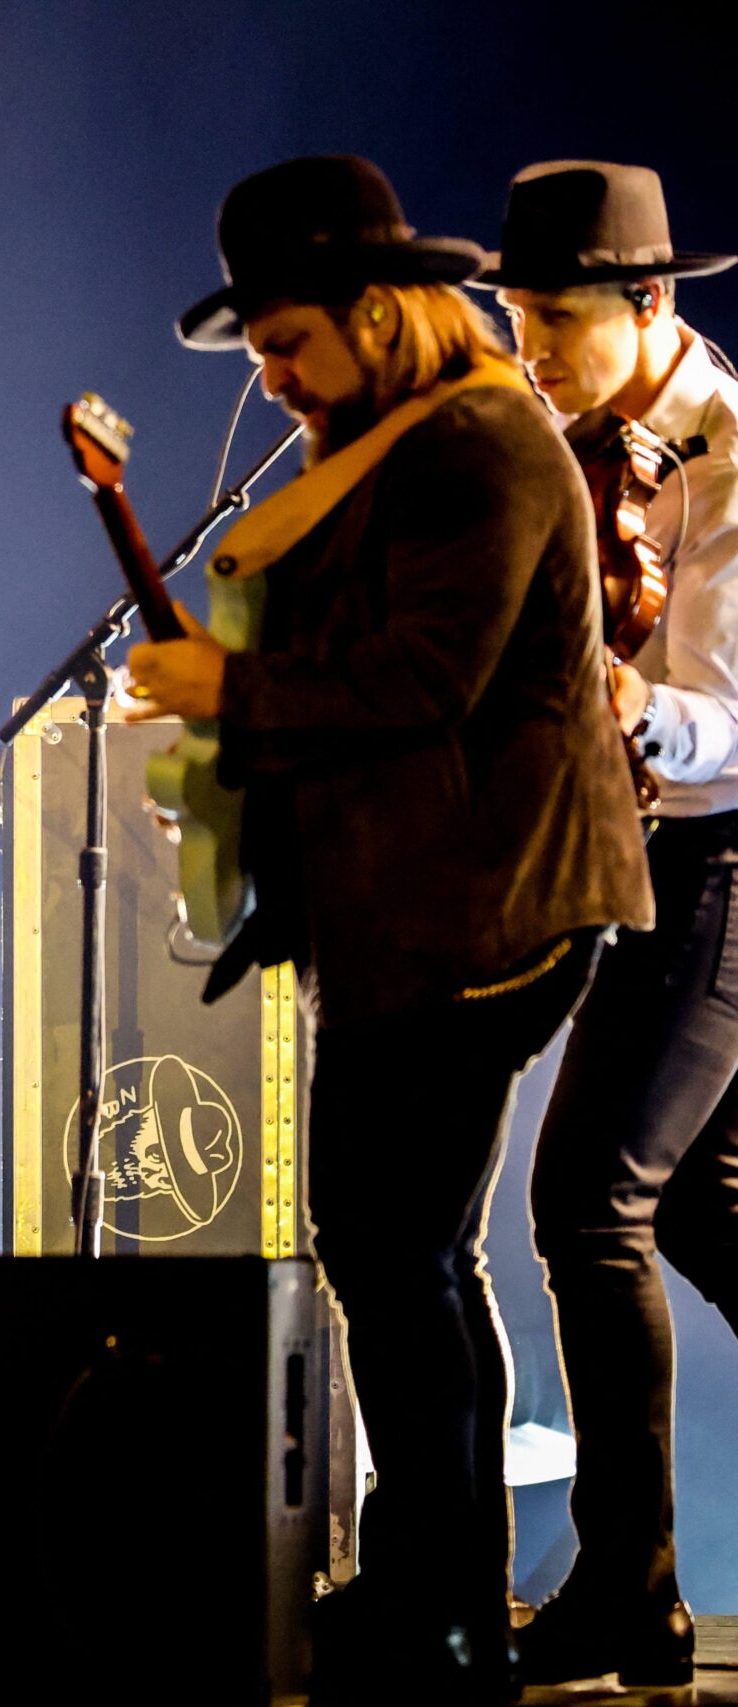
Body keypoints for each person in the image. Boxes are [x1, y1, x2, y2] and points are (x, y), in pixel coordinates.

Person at [125, 155, 653, 1703]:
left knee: (396, 1245)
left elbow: (427, 679)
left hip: (491, 908)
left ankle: (441, 1601)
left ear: (374, 311)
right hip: (418, 914)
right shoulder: (390, 447)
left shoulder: (479, 443)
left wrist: (236, 695)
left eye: (287, 342)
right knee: (403, 1248)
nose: (274, 377)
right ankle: (443, 1588)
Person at [485, 160, 738, 1690]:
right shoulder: (591, 445)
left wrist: (644, 714)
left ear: (652, 301)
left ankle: (629, 1592)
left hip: (727, 856)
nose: (529, 344)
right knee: (705, 1210)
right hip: (646, 859)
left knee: (588, 1198)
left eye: (554, 317)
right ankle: (630, 1587)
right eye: (513, 313)